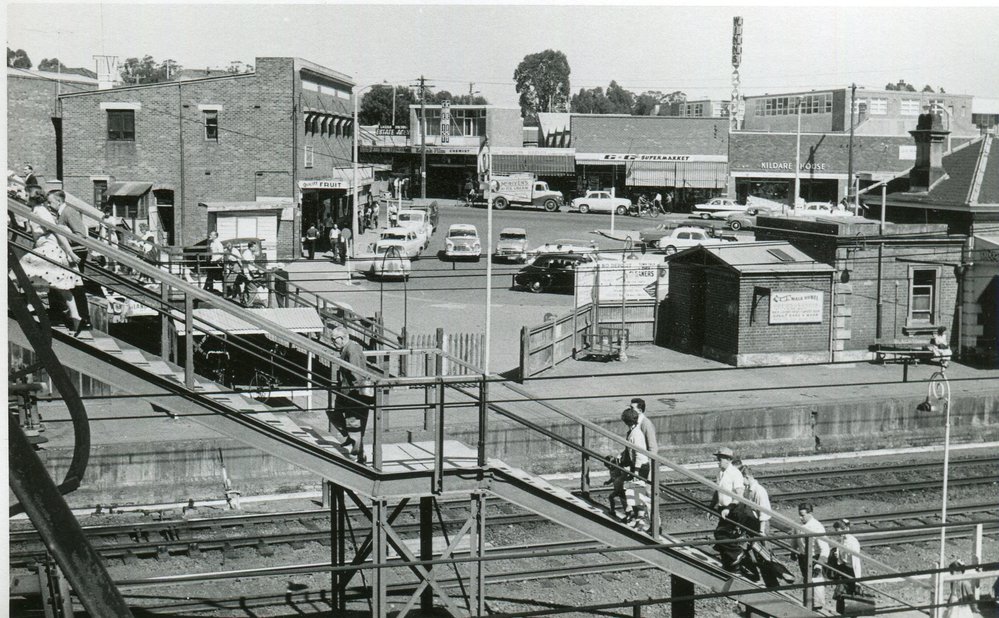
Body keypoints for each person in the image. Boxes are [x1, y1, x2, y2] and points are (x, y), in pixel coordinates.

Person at [18, 194, 87, 334]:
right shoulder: (36, 211)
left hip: (48, 250)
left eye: (26, 194)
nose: (22, 196)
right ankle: (75, 316)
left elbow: (57, 232)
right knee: (59, 284)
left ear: (32, 197)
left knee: (22, 272)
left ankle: (30, 306)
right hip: (46, 248)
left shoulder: (41, 211)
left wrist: (70, 252)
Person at [48, 190, 94, 335]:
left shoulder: (69, 212)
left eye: (50, 202)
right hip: (70, 252)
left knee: (76, 286)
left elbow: (80, 235)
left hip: (76, 252)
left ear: (59, 201)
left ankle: (84, 319)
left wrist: (63, 234)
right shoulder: (61, 213)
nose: (49, 205)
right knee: (68, 284)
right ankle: (74, 316)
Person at [328, 326, 374, 464]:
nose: (332, 342)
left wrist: (358, 393)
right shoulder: (346, 348)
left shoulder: (352, 349)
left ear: (342, 338)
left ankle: (358, 455)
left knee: (353, 423)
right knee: (335, 413)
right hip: (345, 391)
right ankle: (350, 437)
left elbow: (356, 371)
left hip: (353, 393)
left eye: (334, 339)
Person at [711, 447, 746, 571]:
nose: (718, 461)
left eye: (720, 459)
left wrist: (729, 508)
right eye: (718, 459)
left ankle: (737, 553)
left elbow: (739, 495)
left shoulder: (735, 473)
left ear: (728, 460)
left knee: (721, 535)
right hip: (723, 508)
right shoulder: (720, 472)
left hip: (734, 509)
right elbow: (717, 491)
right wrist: (711, 506)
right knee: (721, 536)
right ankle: (729, 563)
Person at [793, 503, 830, 611]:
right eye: (799, 515)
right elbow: (795, 539)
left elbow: (825, 548)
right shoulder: (798, 525)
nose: (800, 517)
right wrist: (793, 551)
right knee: (806, 580)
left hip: (814, 557)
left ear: (810, 514)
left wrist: (819, 563)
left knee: (816, 580)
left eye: (803, 515)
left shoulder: (817, 527)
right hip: (803, 557)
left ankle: (817, 606)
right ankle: (807, 604)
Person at [621, 407, 650, 532]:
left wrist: (636, 471)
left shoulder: (636, 434)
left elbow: (638, 454)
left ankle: (641, 520)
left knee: (636, 492)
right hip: (636, 465)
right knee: (630, 490)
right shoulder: (633, 432)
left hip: (640, 466)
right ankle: (636, 517)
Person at [828, 519, 862, 598]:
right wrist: (838, 555)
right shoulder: (842, 539)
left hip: (851, 571)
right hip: (844, 568)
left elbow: (856, 563)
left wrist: (858, 581)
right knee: (840, 593)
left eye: (840, 533)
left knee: (850, 593)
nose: (839, 535)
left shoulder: (853, 543)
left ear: (846, 529)